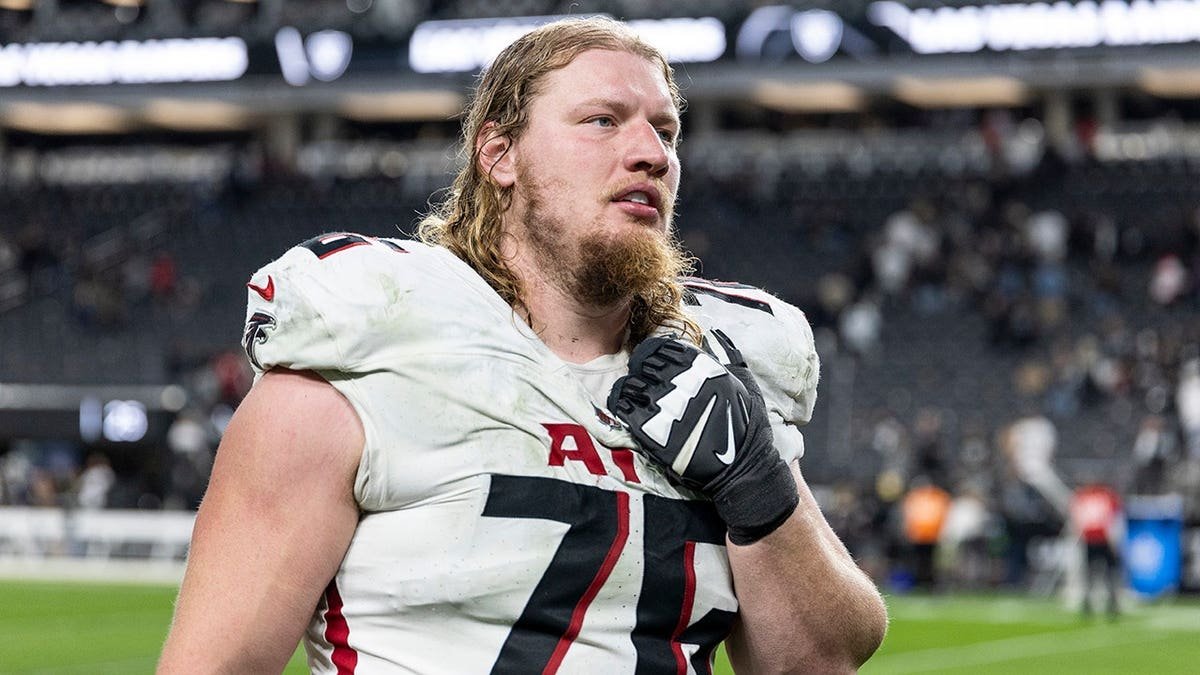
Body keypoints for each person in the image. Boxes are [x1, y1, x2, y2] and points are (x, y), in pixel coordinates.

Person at [158, 17, 887, 674]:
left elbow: (820, 659)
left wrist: (758, 486)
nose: (651, 154)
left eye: (665, 132)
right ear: (500, 155)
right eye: (603, 120)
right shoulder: (362, 352)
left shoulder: (714, 374)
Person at [1069, 481, 1123, 618]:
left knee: (1091, 574)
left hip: (1090, 539)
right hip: (1103, 539)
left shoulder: (1083, 497)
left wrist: (1078, 536)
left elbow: (1077, 518)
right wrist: (1115, 540)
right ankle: (1110, 603)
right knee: (1106, 573)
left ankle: (1090, 602)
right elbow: (1113, 519)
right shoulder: (1107, 497)